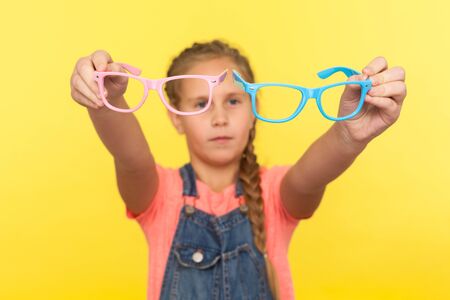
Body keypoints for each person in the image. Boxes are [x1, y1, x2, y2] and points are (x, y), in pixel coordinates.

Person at [69, 40, 407, 300]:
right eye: (201, 103)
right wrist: (104, 100)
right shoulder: (162, 196)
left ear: (254, 109)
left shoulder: (275, 193)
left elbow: (312, 176)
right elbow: (131, 157)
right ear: (175, 115)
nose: (219, 117)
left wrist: (348, 132)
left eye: (233, 100)